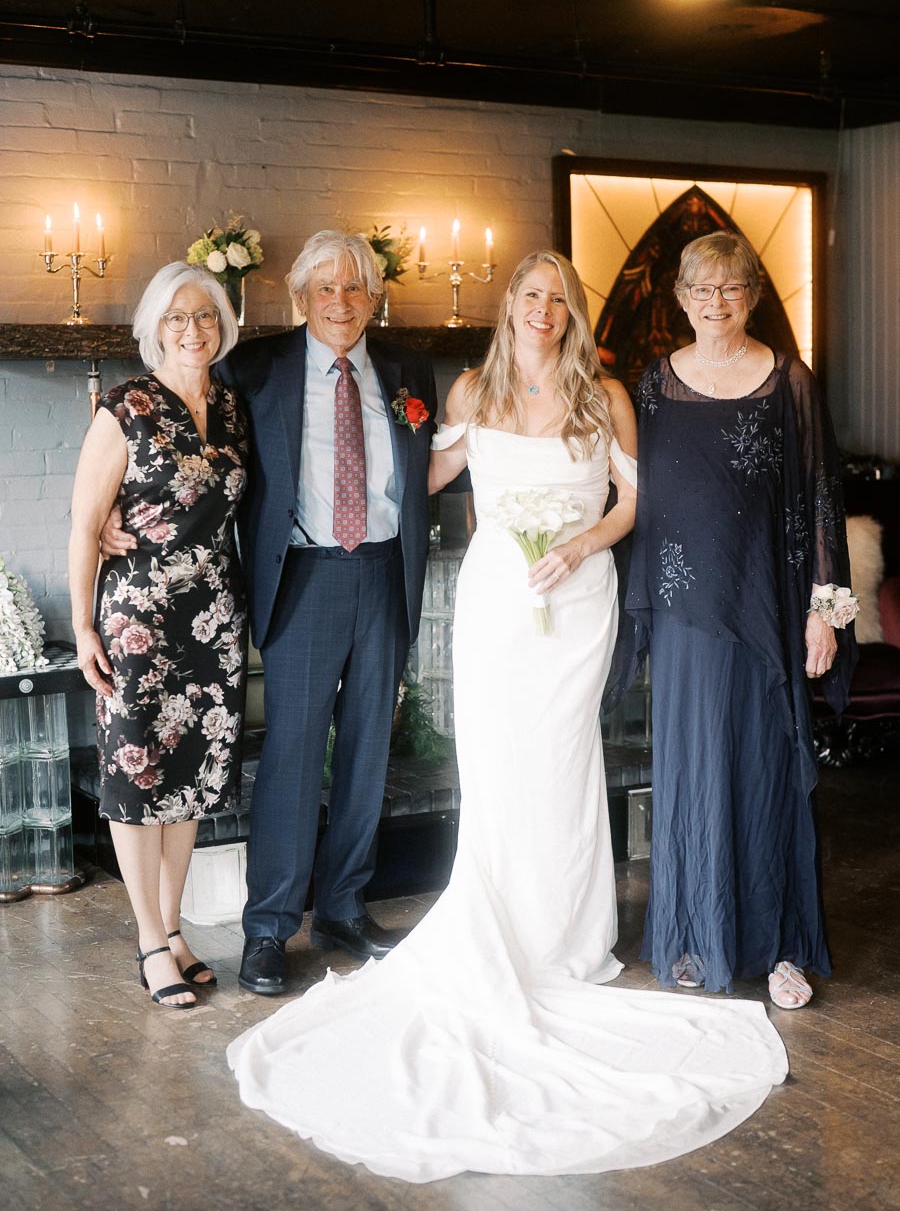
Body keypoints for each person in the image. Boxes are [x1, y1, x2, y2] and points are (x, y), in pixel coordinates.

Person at [226, 250, 787, 1181]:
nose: (542, 310)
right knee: (494, 765)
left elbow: (634, 502)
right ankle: (496, 925)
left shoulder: (603, 396)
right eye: (530, 295)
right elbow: (422, 474)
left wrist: (578, 545)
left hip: (575, 601)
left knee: (562, 763)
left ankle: (569, 937)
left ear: (571, 313)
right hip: (495, 604)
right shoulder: (470, 391)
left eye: (557, 299)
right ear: (511, 306)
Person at [626, 231, 858, 1008]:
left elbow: (825, 499)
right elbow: (639, 499)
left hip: (771, 611)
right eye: (701, 290)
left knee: (766, 778)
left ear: (753, 295)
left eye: (731, 289)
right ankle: (695, 936)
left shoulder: (790, 379)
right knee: (692, 778)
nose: (715, 303)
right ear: (681, 299)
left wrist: (827, 616)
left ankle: (784, 947)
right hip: (686, 616)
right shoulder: (654, 384)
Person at [215, 230, 437, 994]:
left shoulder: (409, 371)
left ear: (374, 296)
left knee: (369, 751)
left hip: (384, 574)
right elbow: (195, 454)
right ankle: (270, 928)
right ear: (299, 297)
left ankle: (343, 906)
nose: (340, 303)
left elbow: (433, 470)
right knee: (293, 756)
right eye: (325, 289)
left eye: (354, 288)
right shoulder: (255, 369)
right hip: (302, 578)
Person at [69, 261, 247, 1010]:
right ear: (154, 328)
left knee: (190, 783)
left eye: (205, 316)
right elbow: (84, 524)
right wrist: (82, 624)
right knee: (138, 780)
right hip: (137, 620)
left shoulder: (234, 408)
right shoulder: (125, 406)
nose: (192, 330)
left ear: (223, 324)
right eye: (176, 318)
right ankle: (149, 941)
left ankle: (173, 929)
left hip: (213, 616)